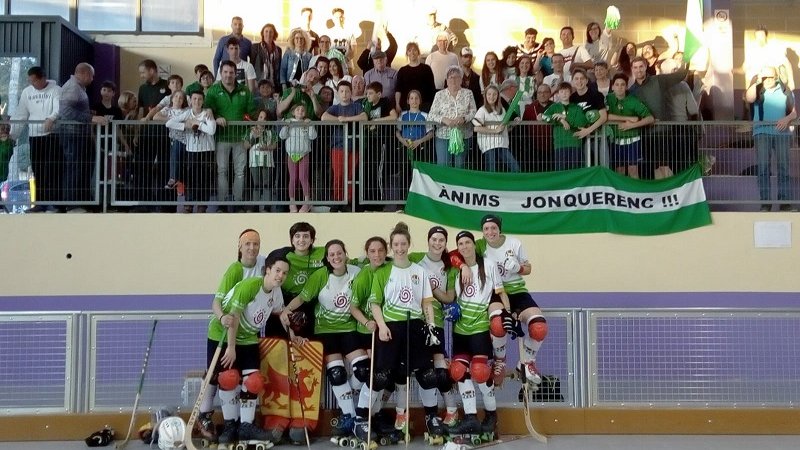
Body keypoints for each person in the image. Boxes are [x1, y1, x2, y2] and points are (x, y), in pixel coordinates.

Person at [354, 222, 445, 442]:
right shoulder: (383, 271)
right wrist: (382, 326)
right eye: (396, 244)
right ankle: (361, 421)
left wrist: (431, 327)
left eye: (404, 244)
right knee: (380, 376)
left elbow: (426, 303)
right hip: (390, 328)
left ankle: (431, 418)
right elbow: (375, 303)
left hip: (415, 325)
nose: (400, 248)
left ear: (409, 244)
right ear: (391, 246)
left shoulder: (419, 271)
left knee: (427, 374)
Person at [278, 239, 364, 438]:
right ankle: (350, 415)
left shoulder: (357, 272)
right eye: (331, 254)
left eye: (339, 253)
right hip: (325, 330)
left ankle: (359, 411)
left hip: (350, 329)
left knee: (363, 372)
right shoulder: (320, 275)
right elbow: (302, 297)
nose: (336, 257)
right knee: (336, 374)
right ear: (327, 258)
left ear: (345, 254)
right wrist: (286, 310)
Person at [452, 214, 548, 388]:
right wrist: (463, 266)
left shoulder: (514, 243)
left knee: (539, 327)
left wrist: (518, 267)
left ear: (499, 229)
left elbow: (528, 268)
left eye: (493, 228)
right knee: (498, 323)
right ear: (482, 232)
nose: (490, 232)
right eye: (486, 229)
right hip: (496, 292)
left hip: (517, 291)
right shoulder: (480, 245)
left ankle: (526, 363)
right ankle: (500, 360)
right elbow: (454, 254)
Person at [205, 253, 289, 447]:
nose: (280, 276)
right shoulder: (250, 286)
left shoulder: (276, 292)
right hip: (225, 335)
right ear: (267, 270)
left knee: (254, 381)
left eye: (284, 273)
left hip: (249, 337)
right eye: (277, 271)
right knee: (228, 379)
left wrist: (286, 317)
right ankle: (230, 425)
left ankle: (246, 426)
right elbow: (233, 317)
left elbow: (278, 309)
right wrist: (232, 347)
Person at [444, 230, 506, 437]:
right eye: (460, 243)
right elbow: (450, 296)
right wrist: (448, 306)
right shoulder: (455, 269)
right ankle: (470, 418)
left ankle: (491, 415)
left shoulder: (488, 265)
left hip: (479, 329)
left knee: (480, 372)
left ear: (473, 244)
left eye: (467, 242)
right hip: (460, 330)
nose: (464, 246)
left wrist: (507, 315)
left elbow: (500, 292)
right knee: (458, 371)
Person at [408, 226, 460, 428]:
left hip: (435, 321)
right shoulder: (416, 258)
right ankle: (431, 415)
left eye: (441, 240)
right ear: (428, 240)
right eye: (434, 239)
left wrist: (432, 286)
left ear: (445, 244)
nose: (437, 243)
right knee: (424, 371)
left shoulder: (450, 267)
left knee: (440, 372)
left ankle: (452, 409)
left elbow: (449, 297)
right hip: (415, 320)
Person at [205, 60, 258, 209]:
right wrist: (214, 116)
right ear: (220, 73)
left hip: (241, 138)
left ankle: (238, 203)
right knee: (222, 171)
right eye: (225, 72)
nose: (228, 75)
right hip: (221, 138)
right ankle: (222, 204)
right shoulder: (213, 90)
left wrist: (258, 121)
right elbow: (207, 110)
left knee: (240, 172)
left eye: (231, 72)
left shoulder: (245, 90)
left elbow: (252, 113)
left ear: (236, 74)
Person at [745, 66, 797, 211]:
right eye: (765, 78)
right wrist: (755, 81)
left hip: (782, 134)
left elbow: (794, 113)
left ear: (776, 77)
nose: (767, 80)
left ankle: (785, 203)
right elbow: (749, 98)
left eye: (770, 77)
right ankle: (765, 204)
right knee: (763, 168)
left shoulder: (785, 90)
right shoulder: (757, 89)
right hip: (761, 133)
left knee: (783, 168)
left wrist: (786, 119)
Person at [628, 56, 688, 179]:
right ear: (632, 69)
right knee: (652, 167)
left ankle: (670, 192)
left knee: (664, 165)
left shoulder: (658, 80)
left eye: (641, 66)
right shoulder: (631, 91)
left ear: (646, 67)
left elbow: (681, 75)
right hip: (644, 135)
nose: (638, 70)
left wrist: (686, 59)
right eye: (635, 67)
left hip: (663, 132)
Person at [10, 66, 61, 210]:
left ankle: (53, 203)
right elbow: (21, 113)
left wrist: (51, 118)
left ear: (43, 78)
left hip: (51, 136)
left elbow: (58, 108)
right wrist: (13, 135)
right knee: (37, 169)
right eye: (30, 81)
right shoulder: (27, 92)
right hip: (34, 136)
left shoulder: (56, 90)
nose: (32, 84)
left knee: (51, 169)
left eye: (34, 81)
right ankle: (39, 203)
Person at [58, 62, 108, 209]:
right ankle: (72, 204)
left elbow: (72, 110)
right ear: (84, 73)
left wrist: (87, 113)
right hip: (73, 135)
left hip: (79, 134)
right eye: (92, 75)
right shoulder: (73, 87)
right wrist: (90, 118)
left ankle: (83, 201)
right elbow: (65, 111)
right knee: (75, 168)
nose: (93, 79)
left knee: (83, 168)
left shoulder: (77, 87)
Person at [166, 90, 216, 212]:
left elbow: (212, 130)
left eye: (199, 99)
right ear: (190, 100)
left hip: (206, 151)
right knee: (191, 178)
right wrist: (185, 126)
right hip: (191, 151)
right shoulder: (187, 113)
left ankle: (202, 205)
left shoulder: (206, 113)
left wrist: (198, 124)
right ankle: (189, 203)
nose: (197, 101)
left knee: (205, 179)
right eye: (194, 99)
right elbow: (169, 123)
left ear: (203, 101)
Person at [321, 80, 366, 210]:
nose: (344, 94)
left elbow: (364, 117)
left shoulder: (356, 106)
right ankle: (338, 200)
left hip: (354, 146)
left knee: (351, 175)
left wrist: (346, 120)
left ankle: (348, 201)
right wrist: (339, 120)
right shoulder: (335, 107)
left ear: (351, 92)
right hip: (338, 146)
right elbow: (324, 117)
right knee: (339, 175)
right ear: (338, 93)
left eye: (347, 91)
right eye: (342, 91)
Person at [605, 73, 654, 178]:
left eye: (622, 85)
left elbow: (650, 118)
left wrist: (632, 125)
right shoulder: (608, 99)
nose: (619, 87)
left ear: (626, 87)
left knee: (633, 169)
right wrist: (628, 119)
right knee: (619, 170)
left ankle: (635, 192)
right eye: (617, 84)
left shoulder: (633, 100)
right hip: (615, 140)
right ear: (612, 86)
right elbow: (605, 116)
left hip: (633, 140)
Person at [136, 59, 171, 206]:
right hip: (147, 134)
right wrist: (138, 133)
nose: (141, 76)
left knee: (164, 167)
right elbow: (141, 111)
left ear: (152, 71)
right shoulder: (142, 89)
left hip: (164, 134)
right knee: (143, 166)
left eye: (143, 72)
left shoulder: (167, 86)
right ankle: (144, 202)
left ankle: (165, 203)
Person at [428, 66, 477, 168]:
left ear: (461, 79)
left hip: (463, 135)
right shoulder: (439, 95)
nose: (453, 80)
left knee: (460, 165)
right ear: (446, 80)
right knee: (443, 165)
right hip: (443, 135)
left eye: (456, 77)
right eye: (450, 77)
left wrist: (464, 119)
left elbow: (473, 112)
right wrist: (443, 119)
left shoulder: (468, 93)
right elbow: (431, 115)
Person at [361, 81, 398, 207]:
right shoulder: (366, 105)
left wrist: (376, 121)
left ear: (379, 94)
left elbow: (393, 117)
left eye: (371, 93)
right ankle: (368, 201)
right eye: (367, 93)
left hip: (382, 141)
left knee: (379, 171)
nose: (368, 96)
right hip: (369, 142)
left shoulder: (385, 102)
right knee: (368, 170)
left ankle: (379, 201)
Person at [541, 82, 590, 170]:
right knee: (561, 171)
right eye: (562, 91)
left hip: (575, 143)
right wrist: (560, 120)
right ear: (558, 94)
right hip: (560, 144)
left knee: (575, 171)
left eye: (566, 91)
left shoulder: (577, 108)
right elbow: (544, 116)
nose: (564, 93)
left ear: (570, 93)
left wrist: (566, 118)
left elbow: (581, 123)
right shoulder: (554, 107)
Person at [279, 104, 317, 212]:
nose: (300, 111)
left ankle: (307, 202)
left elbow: (313, 136)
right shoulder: (289, 122)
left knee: (303, 177)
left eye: (302, 110)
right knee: (293, 178)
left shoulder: (307, 122)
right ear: (293, 112)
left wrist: (310, 125)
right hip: (292, 154)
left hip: (303, 153)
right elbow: (282, 136)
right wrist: (286, 126)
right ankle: (292, 202)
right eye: (298, 109)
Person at [473, 85, 518, 173]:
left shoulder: (502, 110)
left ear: (498, 96)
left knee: (515, 167)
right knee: (491, 170)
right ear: (485, 96)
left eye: (494, 94)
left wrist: (513, 125)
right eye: (489, 94)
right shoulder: (482, 110)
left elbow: (503, 129)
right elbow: (476, 128)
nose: (492, 97)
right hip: (489, 145)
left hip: (502, 144)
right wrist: (494, 131)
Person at [155, 90, 189, 190]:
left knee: (186, 163)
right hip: (176, 139)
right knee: (174, 156)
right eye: (176, 97)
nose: (178, 99)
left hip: (188, 140)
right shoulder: (168, 109)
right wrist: (171, 120)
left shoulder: (186, 110)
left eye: (181, 98)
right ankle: (173, 177)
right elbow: (156, 116)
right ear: (172, 98)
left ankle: (184, 182)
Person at [246, 109, 278, 211]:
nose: (262, 120)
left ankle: (267, 207)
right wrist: (254, 138)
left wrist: (266, 148)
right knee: (256, 184)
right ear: (257, 118)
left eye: (265, 118)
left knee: (267, 184)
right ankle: (255, 206)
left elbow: (274, 145)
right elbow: (245, 145)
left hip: (267, 161)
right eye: (260, 117)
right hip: (254, 162)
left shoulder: (270, 132)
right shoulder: (250, 130)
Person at [394, 42, 436, 113]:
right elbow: (398, 89)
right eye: (409, 50)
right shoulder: (402, 70)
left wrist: (433, 105)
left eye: (414, 50)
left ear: (418, 52)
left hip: (425, 105)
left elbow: (432, 88)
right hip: (406, 106)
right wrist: (397, 104)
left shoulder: (426, 69)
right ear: (407, 53)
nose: (412, 53)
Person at [522, 83, 554, 172]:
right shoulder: (530, 109)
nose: (542, 95)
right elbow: (524, 127)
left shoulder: (556, 107)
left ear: (550, 93)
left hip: (552, 147)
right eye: (539, 92)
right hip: (534, 148)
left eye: (545, 92)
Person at [251, 24, 282, 94]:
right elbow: (251, 65)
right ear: (263, 33)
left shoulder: (278, 50)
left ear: (274, 34)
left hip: (273, 85)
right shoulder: (255, 47)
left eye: (271, 32)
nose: (268, 34)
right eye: (266, 31)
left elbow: (279, 68)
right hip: (259, 84)